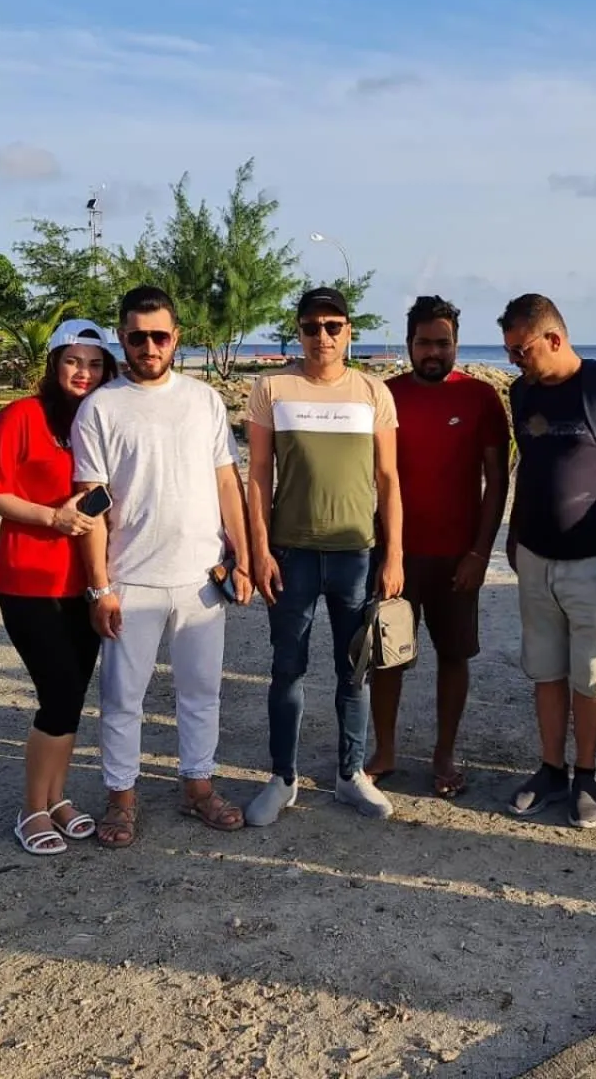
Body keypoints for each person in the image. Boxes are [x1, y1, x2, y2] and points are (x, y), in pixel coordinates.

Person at [72, 286, 253, 845]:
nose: (148, 346)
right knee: (122, 698)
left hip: (201, 578)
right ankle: (121, 799)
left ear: (176, 338)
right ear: (121, 338)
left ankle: (198, 787)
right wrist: (98, 587)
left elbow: (227, 481)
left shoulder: (203, 401)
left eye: (159, 335)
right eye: (136, 336)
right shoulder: (100, 407)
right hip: (132, 577)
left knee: (201, 692)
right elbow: (91, 500)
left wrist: (242, 556)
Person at [245, 286, 404, 825]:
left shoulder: (372, 392)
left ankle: (350, 773)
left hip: (355, 555)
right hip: (291, 554)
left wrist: (394, 553)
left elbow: (388, 479)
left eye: (333, 326)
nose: (323, 337)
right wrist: (259, 549)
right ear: (299, 330)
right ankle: (282, 778)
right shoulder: (273, 388)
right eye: (312, 327)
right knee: (287, 669)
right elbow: (258, 477)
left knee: (354, 673)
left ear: (349, 331)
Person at [498, 293, 596, 829]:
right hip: (535, 558)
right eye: (511, 352)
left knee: (592, 673)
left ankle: (586, 775)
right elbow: (528, 469)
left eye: (521, 351)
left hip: (595, 562)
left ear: (553, 339)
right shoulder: (521, 393)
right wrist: (514, 534)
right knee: (544, 668)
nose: (515, 362)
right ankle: (550, 769)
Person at [0, 318, 118, 856]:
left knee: (71, 697)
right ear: (54, 363)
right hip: (29, 580)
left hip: (87, 582)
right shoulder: (22, 416)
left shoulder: (101, 419)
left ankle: (58, 798)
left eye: (95, 363)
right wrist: (50, 518)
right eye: (73, 361)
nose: (83, 372)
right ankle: (32, 809)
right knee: (56, 695)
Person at [366, 296, 510, 798]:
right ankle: (384, 749)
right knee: (388, 657)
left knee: (454, 656)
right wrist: (386, 552)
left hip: (457, 558)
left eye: (442, 343)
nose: (433, 351)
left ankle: (443, 752)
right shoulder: (383, 396)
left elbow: (497, 480)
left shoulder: (481, 398)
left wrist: (479, 553)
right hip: (394, 556)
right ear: (408, 344)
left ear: (455, 345)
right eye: (424, 342)